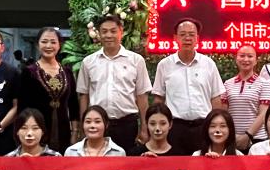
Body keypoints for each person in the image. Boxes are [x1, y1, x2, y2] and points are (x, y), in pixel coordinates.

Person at [76, 14, 151, 153]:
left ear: (121, 32)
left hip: (126, 124)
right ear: (98, 34)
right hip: (97, 125)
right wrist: (82, 127)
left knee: (126, 163)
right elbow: (84, 96)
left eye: (113, 31)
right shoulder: (88, 62)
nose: (108, 35)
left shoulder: (136, 60)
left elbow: (142, 96)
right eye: (104, 31)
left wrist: (145, 128)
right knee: (97, 162)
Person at [153, 18, 224, 155]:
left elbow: (215, 98)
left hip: (203, 127)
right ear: (175, 38)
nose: (187, 38)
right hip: (174, 128)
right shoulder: (164, 65)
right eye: (183, 34)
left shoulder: (208, 64)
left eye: (191, 34)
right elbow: (158, 99)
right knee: (175, 165)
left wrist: (216, 126)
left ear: (197, 38)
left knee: (203, 165)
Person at [22, 27, 80, 152]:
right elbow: (23, 108)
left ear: (59, 45)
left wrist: (75, 132)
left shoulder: (67, 72)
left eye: (53, 42)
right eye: (44, 42)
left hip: (64, 130)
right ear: (37, 45)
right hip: (36, 130)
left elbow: (73, 105)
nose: (48, 46)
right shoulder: (29, 72)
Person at [222, 44, 270, 152]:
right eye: (242, 56)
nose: (246, 59)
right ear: (236, 59)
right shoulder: (227, 84)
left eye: (250, 56)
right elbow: (224, 113)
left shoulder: (264, 83)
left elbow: (264, 114)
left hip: (257, 138)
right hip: (232, 138)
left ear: (256, 60)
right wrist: (231, 135)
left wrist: (248, 135)